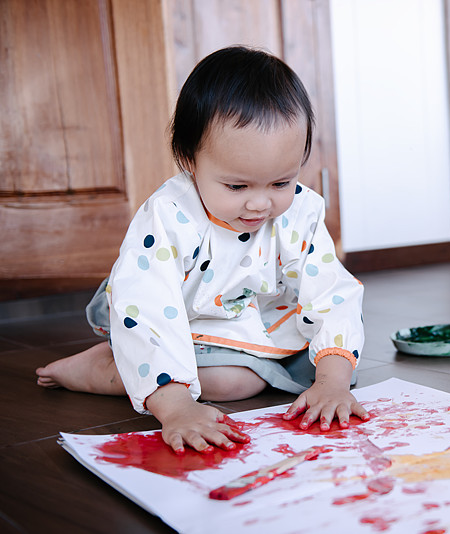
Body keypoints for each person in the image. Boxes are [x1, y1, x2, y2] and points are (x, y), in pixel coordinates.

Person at [36, 46, 369, 454]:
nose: (260, 204)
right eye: (237, 186)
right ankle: (103, 367)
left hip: (254, 317)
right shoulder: (170, 214)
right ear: (188, 160)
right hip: (176, 315)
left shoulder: (302, 210)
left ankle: (136, 366)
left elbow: (331, 292)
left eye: (281, 182)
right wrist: (176, 407)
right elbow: (149, 302)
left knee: (334, 367)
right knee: (232, 384)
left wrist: (331, 385)